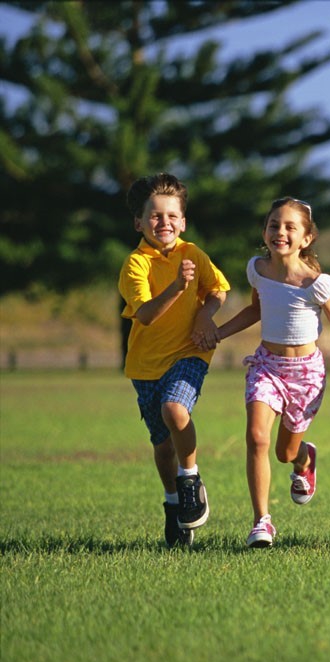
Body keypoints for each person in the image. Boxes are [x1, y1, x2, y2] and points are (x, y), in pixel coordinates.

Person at [217, 197, 330, 548]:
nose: (280, 232)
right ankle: (261, 522)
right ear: (264, 231)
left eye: (290, 227)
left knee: (284, 452)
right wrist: (217, 333)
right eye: (273, 225)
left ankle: (305, 459)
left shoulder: (317, 283)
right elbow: (255, 310)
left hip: (306, 375)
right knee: (256, 437)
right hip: (266, 366)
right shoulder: (257, 270)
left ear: (306, 238)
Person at [119, 173, 230, 548]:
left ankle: (191, 479)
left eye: (172, 216)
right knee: (162, 444)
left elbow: (217, 289)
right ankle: (172, 503)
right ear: (139, 222)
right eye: (154, 216)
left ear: (182, 222)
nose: (164, 223)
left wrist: (203, 315)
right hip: (146, 365)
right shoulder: (135, 264)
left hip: (190, 352)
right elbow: (146, 314)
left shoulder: (192, 253)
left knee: (175, 410)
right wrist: (179, 288)